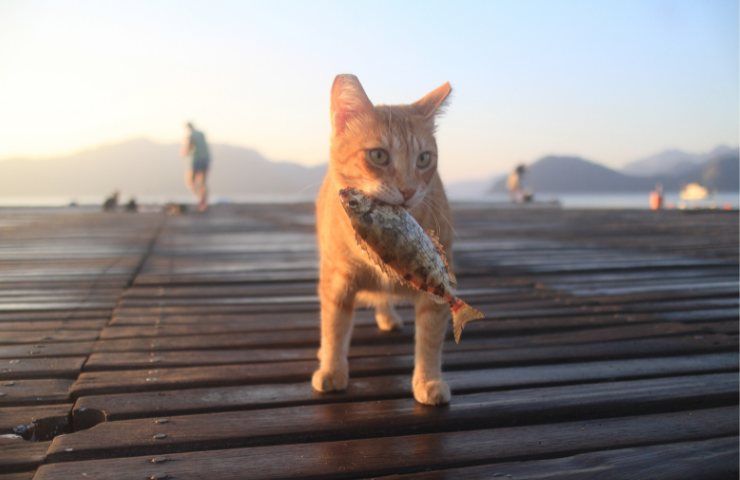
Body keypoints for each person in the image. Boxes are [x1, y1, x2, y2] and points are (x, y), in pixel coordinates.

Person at [180, 122, 211, 212]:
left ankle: (201, 200)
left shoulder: (191, 135)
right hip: (206, 159)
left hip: (197, 160)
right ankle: (203, 202)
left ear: (188, 128)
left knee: (191, 182)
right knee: (203, 183)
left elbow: (188, 148)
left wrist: (184, 152)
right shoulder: (201, 134)